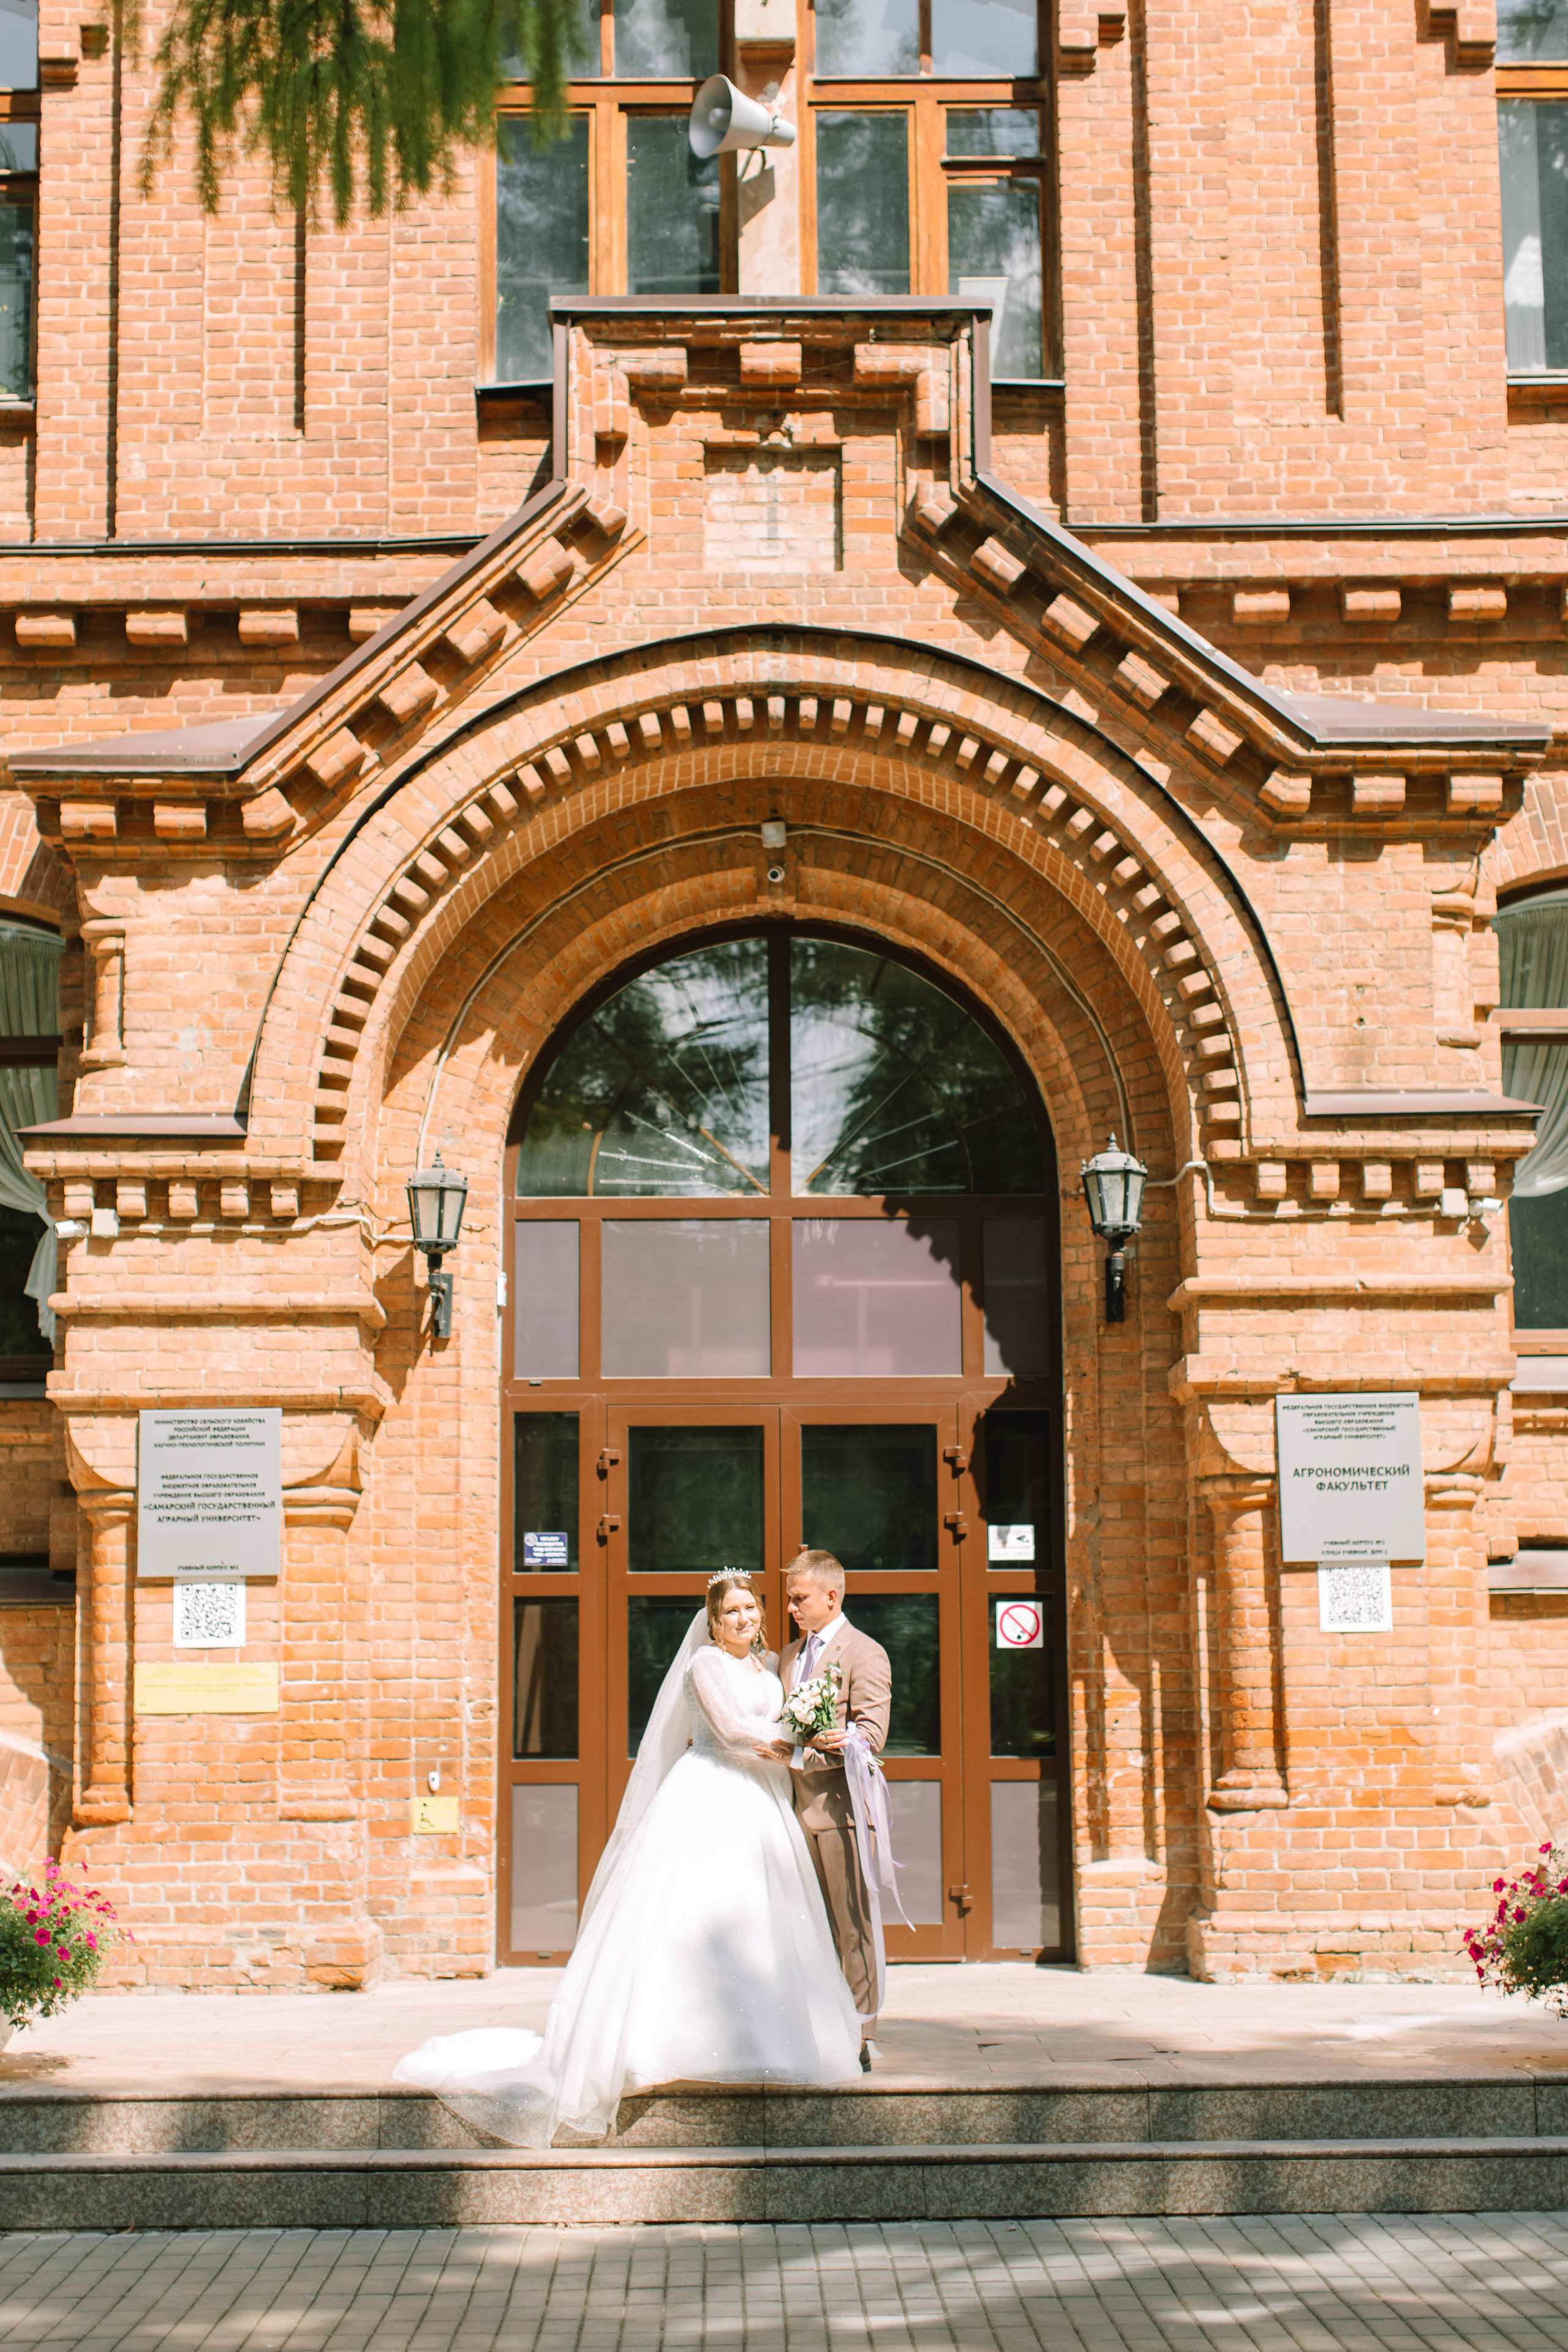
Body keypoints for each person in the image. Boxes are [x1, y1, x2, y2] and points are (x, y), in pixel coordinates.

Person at [394, 1571, 861, 2146]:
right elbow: (734, 1732)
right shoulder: (706, 1666)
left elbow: (769, 1725)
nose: (744, 1618)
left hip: (763, 1802)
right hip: (713, 1793)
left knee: (765, 1920)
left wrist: (808, 1732)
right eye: (732, 1610)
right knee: (692, 1917)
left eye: (750, 1608)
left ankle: (769, 2042)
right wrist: (799, 1743)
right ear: (714, 1621)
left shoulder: (765, 1670)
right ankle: (667, 2045)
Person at [777, 1548, 894, 2068]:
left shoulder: (865, 1653)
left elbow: (871, 1737)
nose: (792, 1609)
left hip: (841, 1812)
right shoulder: (785, 1656)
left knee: (852, 1926)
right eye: (789, 1600)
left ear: (832, 1595)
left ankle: (862, 2033)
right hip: (787, 1813)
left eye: (799, 1599)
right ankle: (819, 2026)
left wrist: (818, 1744)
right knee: (807, 1928)